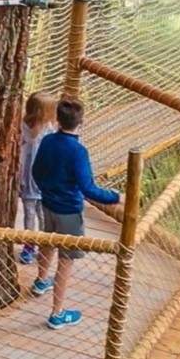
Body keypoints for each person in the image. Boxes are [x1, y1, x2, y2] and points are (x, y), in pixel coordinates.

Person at [29, 99, 120, 330]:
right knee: (66, 261)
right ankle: (57, 313)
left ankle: (41, 281)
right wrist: (115, 197)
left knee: (47, 242)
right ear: (81, 122)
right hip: (69, 211)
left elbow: (36, 171)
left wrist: (48, 190)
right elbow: (88, 188)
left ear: (58, 120)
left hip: (47, 204)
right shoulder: (78, 151)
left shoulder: (48, 140)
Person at [17, 92, 57, 265]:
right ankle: (29, 245)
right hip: (28, 179)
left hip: (45, 180)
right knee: (29, 213)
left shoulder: (51, 129)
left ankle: (44, 245)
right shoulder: (23, 128)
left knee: (43, 215)